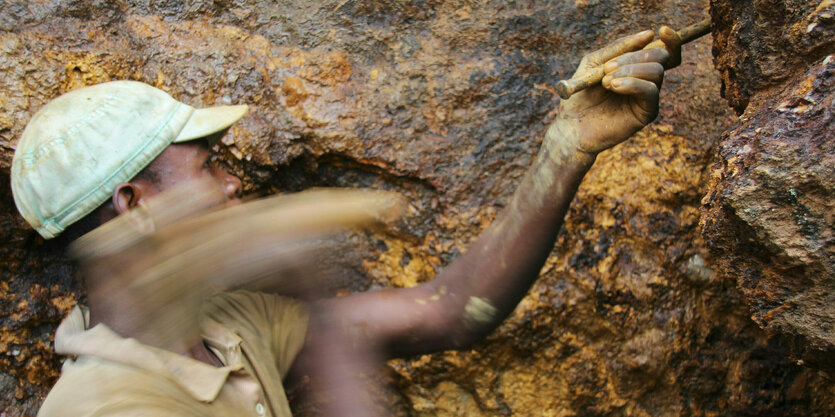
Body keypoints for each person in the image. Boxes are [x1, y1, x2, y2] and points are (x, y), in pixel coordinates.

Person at [13, 27, 682, 417]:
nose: (232, 182)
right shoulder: (104, 405)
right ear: (136, 205)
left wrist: (562, 148)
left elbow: (448, 311)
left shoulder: (221, 326)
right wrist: (305, 280)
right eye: (208, 164)